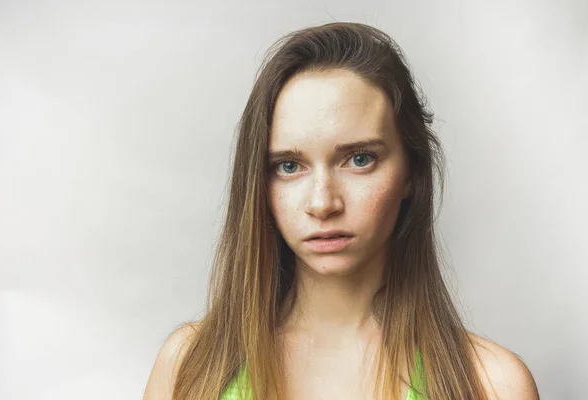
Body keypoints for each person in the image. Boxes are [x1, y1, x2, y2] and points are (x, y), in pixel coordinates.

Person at [143, 22, 540, 399]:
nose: (322, 203)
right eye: (288, 166)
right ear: (258, 185)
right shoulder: (191, 365)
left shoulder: (492, 385)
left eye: (360, 159)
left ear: (411, 173)